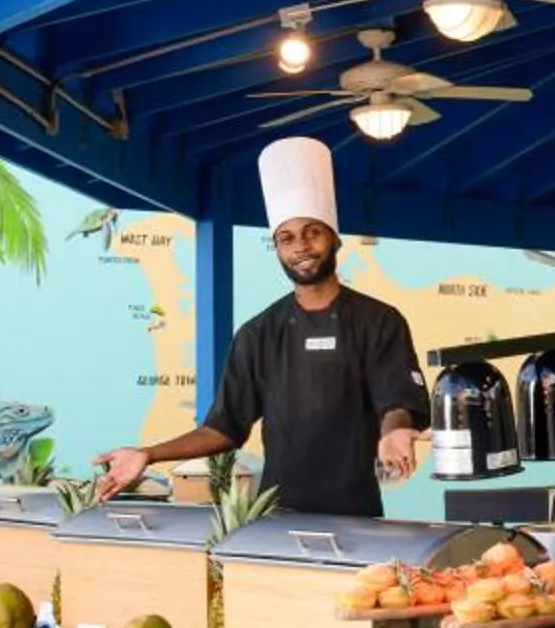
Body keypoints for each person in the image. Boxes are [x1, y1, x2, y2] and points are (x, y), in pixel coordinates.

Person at [95, 138, 427, 517]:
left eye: (312, 232)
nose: (300, 246)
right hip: (277, 516)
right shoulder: (257, 335)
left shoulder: (379, 321)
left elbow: (397, 399)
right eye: (286, 238)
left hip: (358, 513)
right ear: (277, 248)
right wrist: (149, 454)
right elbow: (222, 429)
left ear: (333, 237)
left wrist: (394, 431)